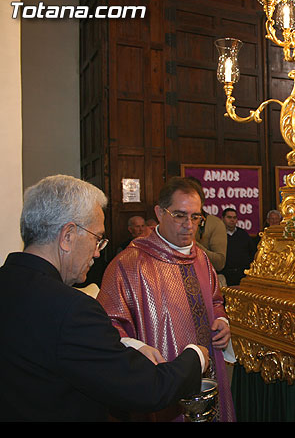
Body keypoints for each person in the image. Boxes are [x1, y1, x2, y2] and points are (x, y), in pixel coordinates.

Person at [0, 175, 208, 422]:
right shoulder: (73, 309)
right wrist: (195, 356)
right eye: (97, 238)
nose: (98, 252)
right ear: (67, 236)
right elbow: (148, 390)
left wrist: (123, 345)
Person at [98, 176, 235, 422]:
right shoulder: (130, 263)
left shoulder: (201, 259)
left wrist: (222, 321)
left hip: (208, 377)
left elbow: (215, 301)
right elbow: (106, 324)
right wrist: (137, 347)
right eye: (180, 215)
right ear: (160, 212)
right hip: (162, 385)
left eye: (195, 217)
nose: (189, 225)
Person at [185, 176, 227, 273]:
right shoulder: (172, 222)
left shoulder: (214, 223)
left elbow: (219, 263)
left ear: (201, 201)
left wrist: (193, 243)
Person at [220, 207, 256, 286]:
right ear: (222, 218)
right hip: (224, 275)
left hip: (242, 275)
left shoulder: (243, 234)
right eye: (229, 217)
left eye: (234, 218)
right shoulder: (218, 234)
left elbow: (252, 253)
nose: (232, 220)